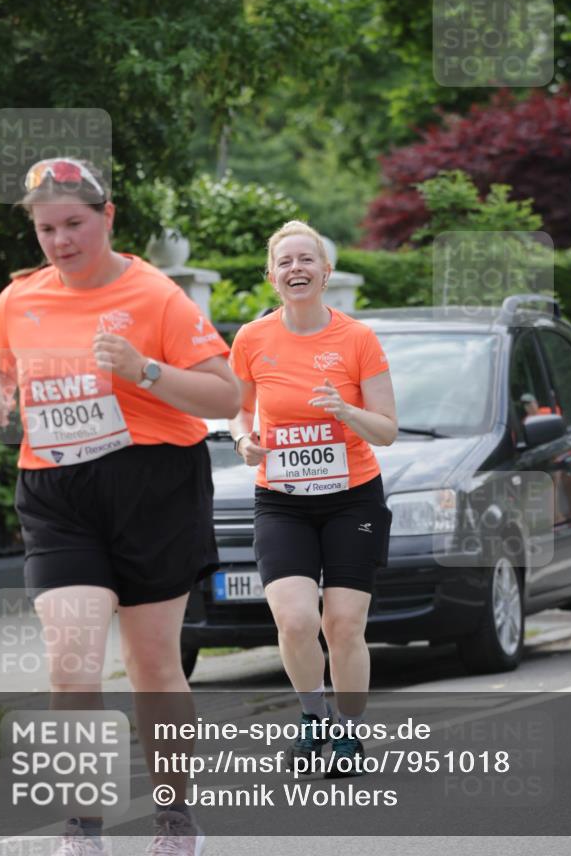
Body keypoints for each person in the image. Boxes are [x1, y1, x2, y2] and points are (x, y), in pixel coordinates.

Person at [0, 158, 241, 856]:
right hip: (57, 491)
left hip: (154, 486)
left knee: (152, 666)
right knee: (72, 664)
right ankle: (82, 829)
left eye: (74, 224)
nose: (61, 241)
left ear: (108, 216)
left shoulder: (156, 297)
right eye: (46, 229)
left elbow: (225, 395)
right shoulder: (19, 298)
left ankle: (175, 821)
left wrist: (143, 370)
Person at [228, 220, 397, 776]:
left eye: (306, 260)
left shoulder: (357, 338)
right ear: (271, 276)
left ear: (325, 272)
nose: (295, 269)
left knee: (343, 624)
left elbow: (387, 429)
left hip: (353, 497)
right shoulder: (252, 339)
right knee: (296, 620)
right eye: (285, 262)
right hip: (282, 500)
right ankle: (313, 718)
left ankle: (348, 733)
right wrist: (243, 440)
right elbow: (237, 409)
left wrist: (346, 411)